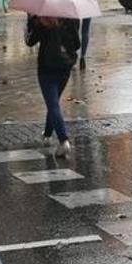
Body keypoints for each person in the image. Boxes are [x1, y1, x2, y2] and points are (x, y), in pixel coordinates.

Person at [26, 15, 81, 158]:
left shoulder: (40, 22)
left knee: (53, 105)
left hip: (46, 69)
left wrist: (29, 26)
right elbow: (77, 44)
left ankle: (63, 140)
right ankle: (48, 133)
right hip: (64, 68)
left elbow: (30, 42)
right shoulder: (69, 20)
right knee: (53, 102)